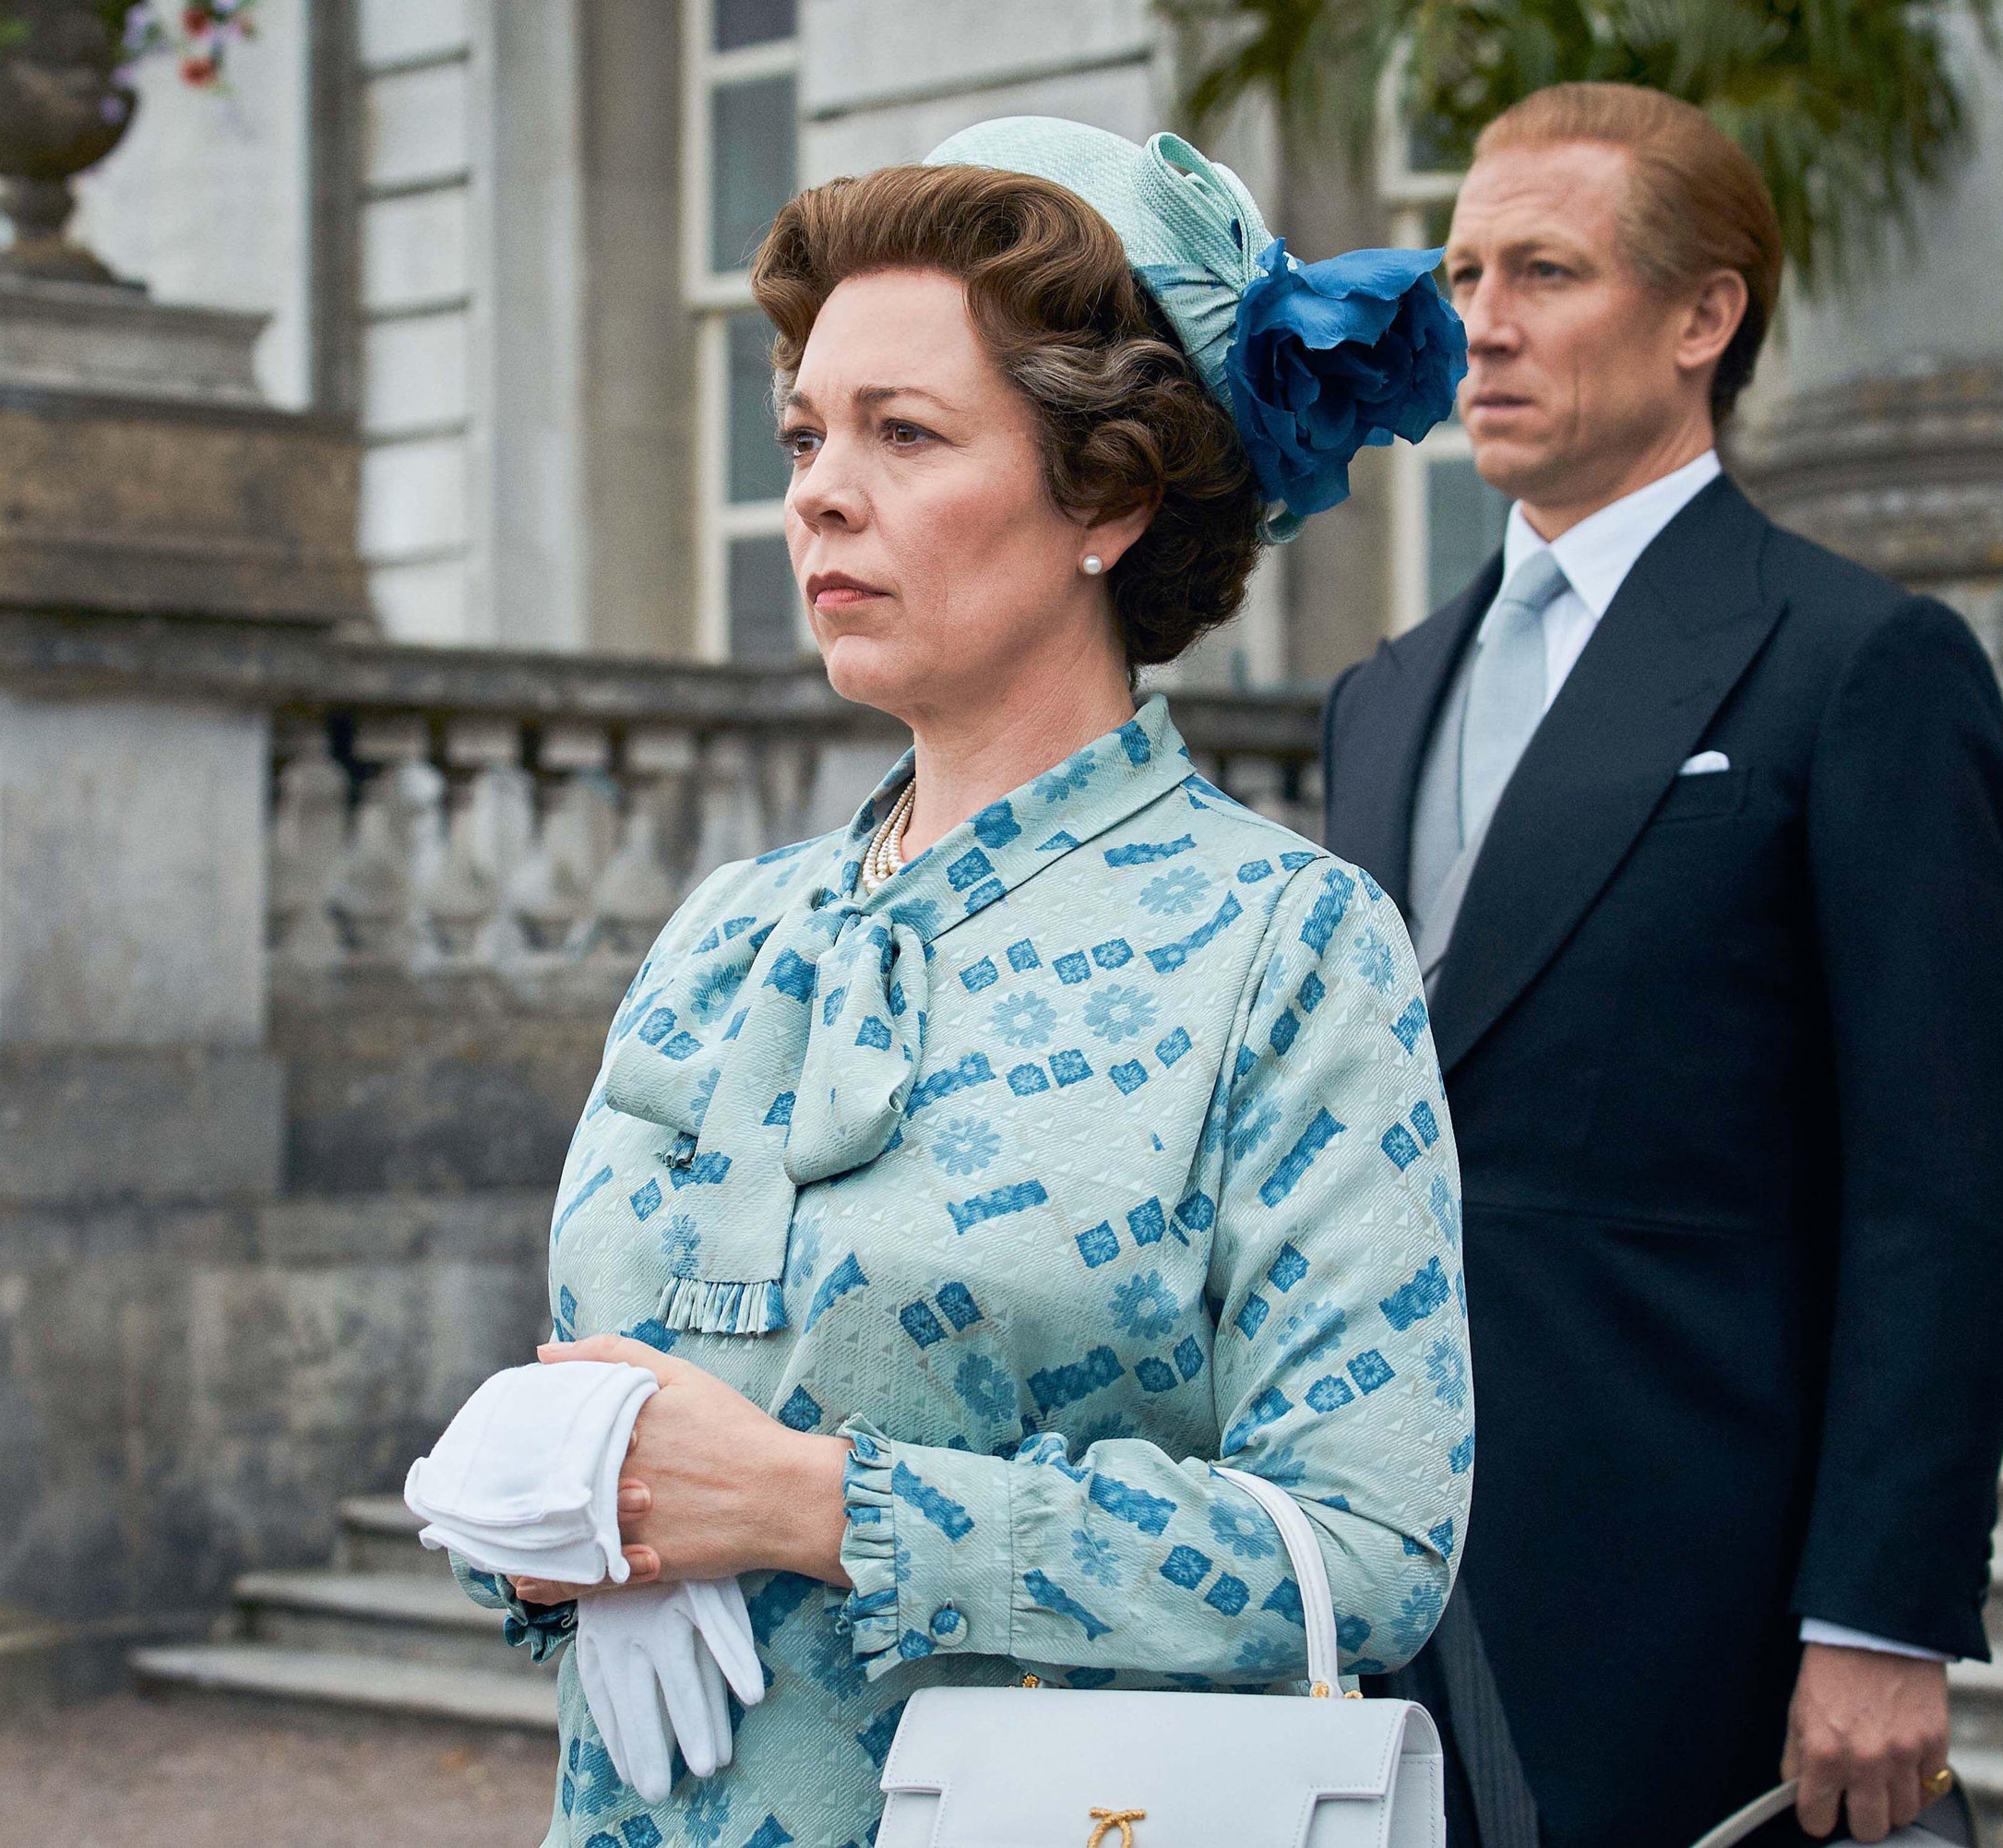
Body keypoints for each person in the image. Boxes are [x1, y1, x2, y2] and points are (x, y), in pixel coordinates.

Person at [464, 119, 1477, 1848]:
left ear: (1112, 496)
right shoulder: (728, 929)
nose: (815, 490)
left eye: (903, 434)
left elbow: (1372, 1554)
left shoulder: (1286, 946)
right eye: (804, 434)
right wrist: (562, 1509)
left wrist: (819, 1508)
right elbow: (605, 1394)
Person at [1323, 83, 2003, 1848]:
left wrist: (1880, 1614)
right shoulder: (1381, 695)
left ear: (1704, 318)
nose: (1477, 322)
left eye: (1546, 271)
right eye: (1464, 268)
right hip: (1376, 1572)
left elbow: (1941, 1186)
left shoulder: (1863, 664)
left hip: (1694, 1598)